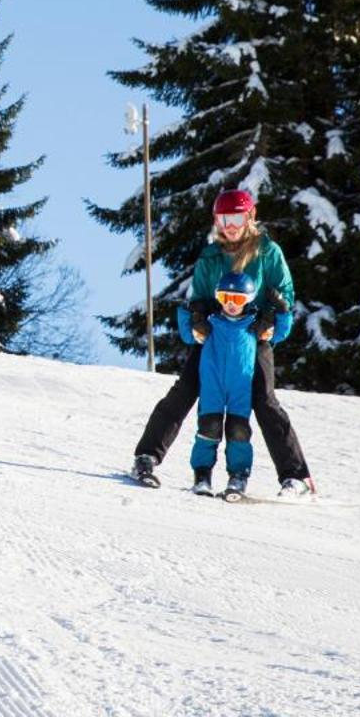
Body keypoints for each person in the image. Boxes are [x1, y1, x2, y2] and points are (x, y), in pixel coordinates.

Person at [130, 189, 314, 498]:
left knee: (263, 399)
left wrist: (270, 316)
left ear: (250, 218)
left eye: (237, 218)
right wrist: (200, 316)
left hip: (251, 335)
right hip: (215, 334)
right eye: (224, 219)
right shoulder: (211, 255)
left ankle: (295, 476)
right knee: (186, 388)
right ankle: (146, 457)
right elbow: (198, 296)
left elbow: (284, 293)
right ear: (217, 221)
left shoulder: (267, 252)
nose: (230, 225)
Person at [182, 271, 284, 498]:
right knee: (209, 428)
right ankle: (202, 475)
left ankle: (238, 477)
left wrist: (282, 310)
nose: (230, 304)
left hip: (241, 387)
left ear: (247, 300)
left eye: (237, 299)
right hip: (212, 385)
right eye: (225, 297)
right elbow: (186, 331)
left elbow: (281, 331)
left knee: (238, 431)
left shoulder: (254, 326)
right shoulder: (209, 323)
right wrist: (190, 307)